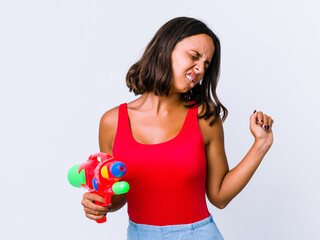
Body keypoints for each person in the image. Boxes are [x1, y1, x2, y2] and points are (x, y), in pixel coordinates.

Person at [80, 17, 274, 240]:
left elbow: (219, 196)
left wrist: (261, 144)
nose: (200, 68)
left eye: (206, 64)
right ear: (164, 49)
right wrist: (98, 204)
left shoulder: (204, 118)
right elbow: (118, 196)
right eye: (194, 56)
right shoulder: (111, 122)